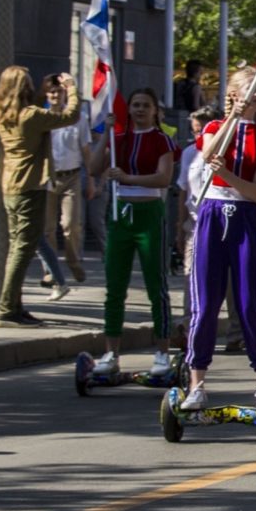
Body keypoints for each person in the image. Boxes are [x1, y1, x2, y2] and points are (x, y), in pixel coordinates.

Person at [185, 70, 256, 410]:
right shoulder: (214, 128)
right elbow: (208, 151)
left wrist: (226, 173)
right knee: (206, 304)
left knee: (248, 304)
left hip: (244, 219)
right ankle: (197, 382)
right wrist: (232, 119)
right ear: (234, 93)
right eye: (252, 90)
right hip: (212, 215)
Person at [92, 88, 177, 378]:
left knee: (156, 286)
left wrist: (127, 177)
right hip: (121, 215)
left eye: (146, 105)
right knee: (115, 287)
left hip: (149, 214)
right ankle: (110, 353)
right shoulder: (119, 140)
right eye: (135, 105)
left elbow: (164, 177)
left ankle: (162, 353)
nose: (140, 110)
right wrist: (106, 133)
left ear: (155, 111)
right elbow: (93, 167)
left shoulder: (162, 140)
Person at [0, 67, 82, 325]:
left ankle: (14, 306)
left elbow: (33, 113)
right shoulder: (31, 116)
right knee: (23, 249)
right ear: (24, 89)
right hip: (30, 186)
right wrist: (71, 88)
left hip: (10, 184)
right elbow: (70, 115)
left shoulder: (3, 115)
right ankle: (7, 308)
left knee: (17, 247)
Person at [43, 85, 93, 285]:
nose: (55, 95)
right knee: (47, 228)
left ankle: (73, 261)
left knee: (71, 224)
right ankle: (50, 270)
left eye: (59, 91)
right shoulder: (42, 117)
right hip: (47, 177)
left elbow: (86, 150)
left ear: (66, 94)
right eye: (51, 92)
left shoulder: (79, 118)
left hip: (71, 176)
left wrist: (90, 179)